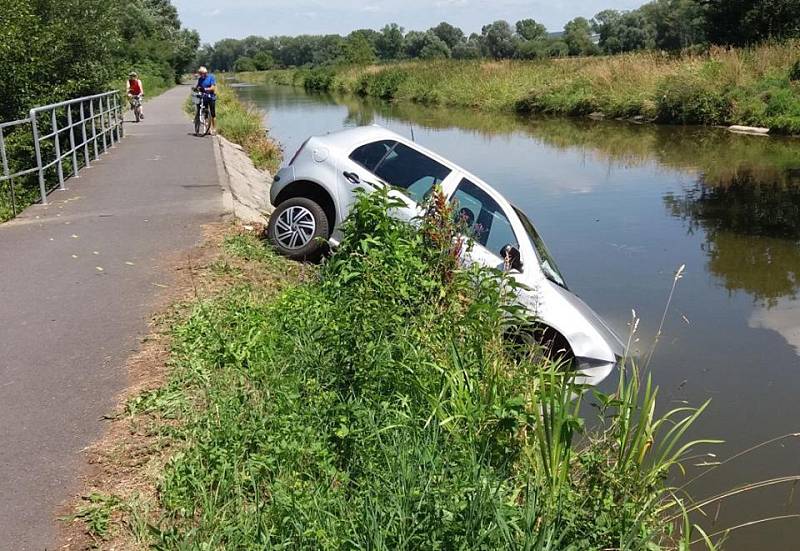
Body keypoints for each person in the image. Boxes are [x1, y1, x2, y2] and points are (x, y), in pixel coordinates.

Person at [194, 66, 217, 135]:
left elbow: (213, 87)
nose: (200, 75)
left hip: (211, 97)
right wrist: (196, 89)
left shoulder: (211, 77)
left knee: (213, 114)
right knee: (205, 113)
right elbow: (198, 86)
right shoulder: (200, 79)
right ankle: (208, 129)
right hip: (204, 97)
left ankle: (214, 129)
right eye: (200, 73)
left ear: (205, 73)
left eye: (201, 73)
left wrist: (206, 89)